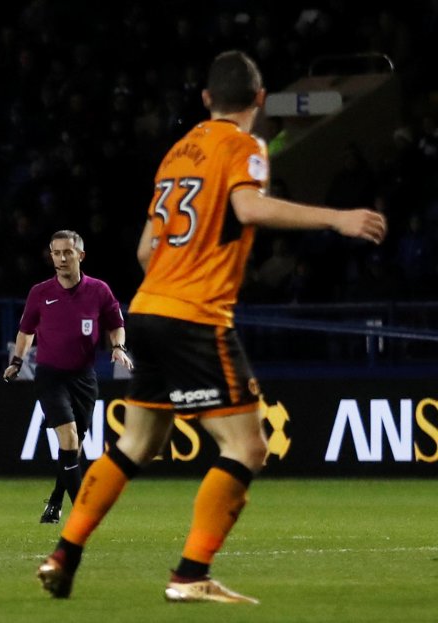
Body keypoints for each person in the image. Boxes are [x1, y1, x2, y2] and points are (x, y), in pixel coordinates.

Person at [37, 50, 386, 604]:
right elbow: (247, 209)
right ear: (259, 99)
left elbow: (146, 250)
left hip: (148, 308)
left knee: (137, 443)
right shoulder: (245, 146)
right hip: (194, 315)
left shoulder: (177, 153)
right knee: (247, 449)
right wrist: (336, 218)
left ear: (206, 99)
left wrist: (180, 273)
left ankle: (64, 554)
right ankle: (189, 573)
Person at [3, 230, 132, 524]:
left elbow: (115, 324)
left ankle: (56, 501)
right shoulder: (40, 293)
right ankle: (83, 514)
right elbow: (26, 331)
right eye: (56, 253)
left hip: (84, 378)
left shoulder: (99, 291)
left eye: (67, 253)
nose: (61, 259)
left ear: (80, 256)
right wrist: (17, 361)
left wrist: (118, 348)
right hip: (50, 377)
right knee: (69, 436)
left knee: (72, 445)